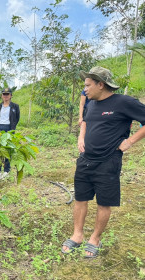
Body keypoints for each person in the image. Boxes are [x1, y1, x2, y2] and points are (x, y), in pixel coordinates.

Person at [61, 66, 145, 258]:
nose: (85, 90)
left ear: (101, 84)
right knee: (80, 199)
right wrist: (81, 137)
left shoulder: (124, 102)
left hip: (109, 161)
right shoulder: (91, 103)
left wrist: (130, 141)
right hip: (85, 160)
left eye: (88, 85)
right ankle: (77, 235)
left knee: (104, 203)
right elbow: (86, 122)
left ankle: (95, 239)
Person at [0, 87, 20, 180]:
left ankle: (6, 171)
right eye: (4, 94)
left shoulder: (15, 106)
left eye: (7, 94)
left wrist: (12, 128)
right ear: (2, 96)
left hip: (9, 128)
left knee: (8, 150)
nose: (6, 96)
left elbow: (17, 118)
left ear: (11, 96)